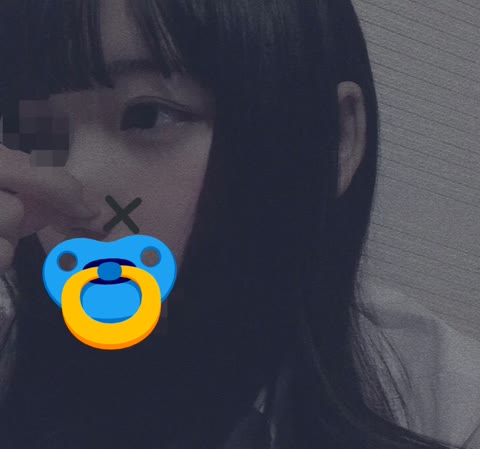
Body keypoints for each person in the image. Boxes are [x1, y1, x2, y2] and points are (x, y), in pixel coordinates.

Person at [0, 0, 478, 448]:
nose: (70, 185)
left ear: (332, 140)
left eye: (147, 114)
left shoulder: (450, 408)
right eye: (36, 132)